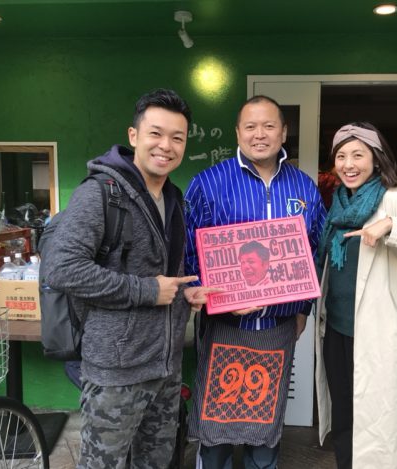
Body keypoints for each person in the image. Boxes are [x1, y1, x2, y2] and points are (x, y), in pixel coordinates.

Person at [42, 89, 217, 468]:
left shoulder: (174, 200)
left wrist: (185, 293)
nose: (166, 145)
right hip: (115, 373)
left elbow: (163, 277)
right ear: (134, 136)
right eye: (156, 133)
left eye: (177, 137)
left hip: (165, 369)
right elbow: (62, 268)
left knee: (156, 463)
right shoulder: (100, 194)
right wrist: (148, 290)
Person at [184, 95, 327, 469]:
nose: (259, 134)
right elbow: (187, 251)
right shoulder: (208, 183)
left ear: (284, 132)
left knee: (265, 434)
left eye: (268, 126)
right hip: (223, 327)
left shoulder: (304, 188)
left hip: (277, 329)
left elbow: (314, 251)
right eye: (250, 126)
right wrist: (215, 295)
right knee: (214, 433)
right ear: (238, 133)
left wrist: (303, 309)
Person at [314, 122, 397, 468]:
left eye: (358, 155)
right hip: (337, 331)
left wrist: (392, 226)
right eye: (341, 156)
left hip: (375, 332)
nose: (348, 164)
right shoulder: (338, 204)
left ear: (376, 159)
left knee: (377, 423)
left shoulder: (394, 199)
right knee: (345, 416)